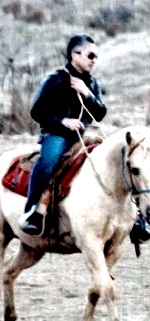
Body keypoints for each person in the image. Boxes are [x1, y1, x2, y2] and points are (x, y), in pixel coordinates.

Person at [18, 33, 107, 235]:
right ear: (74, 55)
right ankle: (31, 211)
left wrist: (88, 93)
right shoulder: (55, 79)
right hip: (57, 135)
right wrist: (63, 122)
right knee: (48, 161)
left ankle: (135, 218)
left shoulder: (92, 84)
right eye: (90, 55)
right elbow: (37, 111)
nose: (94, 60)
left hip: (83, 136)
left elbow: (100, 114)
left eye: (96, 56)